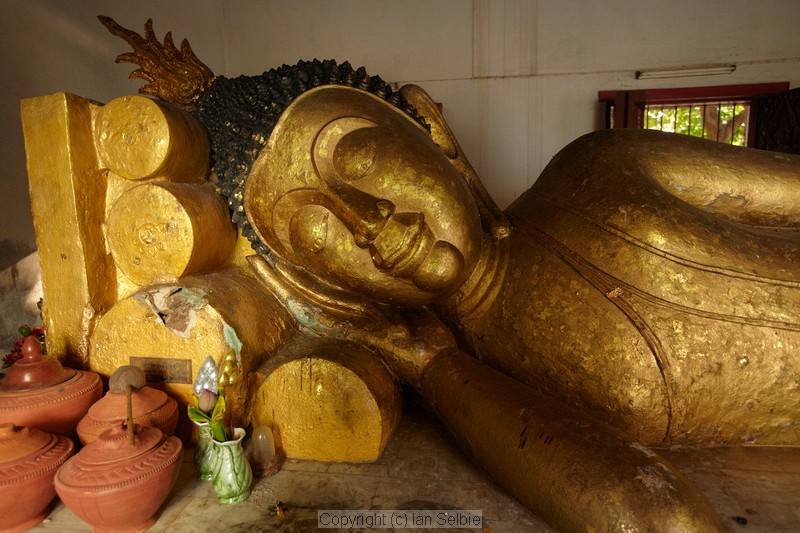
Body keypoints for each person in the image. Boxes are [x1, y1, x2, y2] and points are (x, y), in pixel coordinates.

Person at [100, 16, 800, 531]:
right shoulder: (493, 379)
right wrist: (428, 364)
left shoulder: (597, 168)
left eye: (360, 159)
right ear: (335, 291)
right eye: (318, 236)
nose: (369, 222)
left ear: (434, 134)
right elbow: (659, 515)